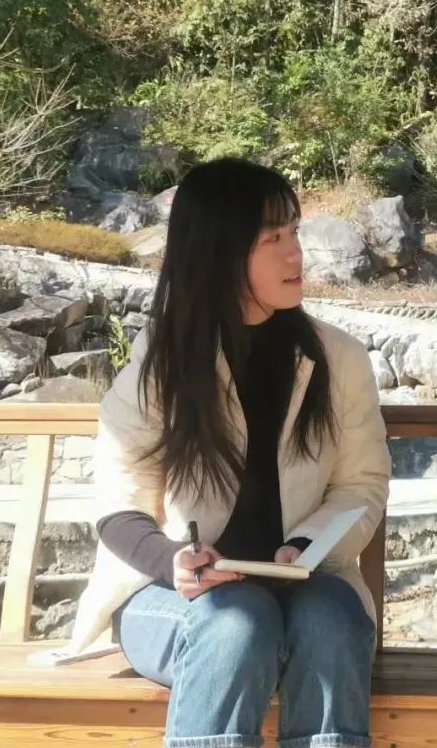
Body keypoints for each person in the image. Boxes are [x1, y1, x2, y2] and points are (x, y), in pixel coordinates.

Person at [65, 157, 392, 748]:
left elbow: (360, 485)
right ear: (219, 251)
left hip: (305, 587)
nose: (296, 253)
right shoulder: (164, 360)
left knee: (332, 618)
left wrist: (307, 546)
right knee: (239, 621)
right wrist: (173, 561)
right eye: (272, 239)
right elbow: (118, 500)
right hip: (172, 597)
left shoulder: (337, 358)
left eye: (294, 232)